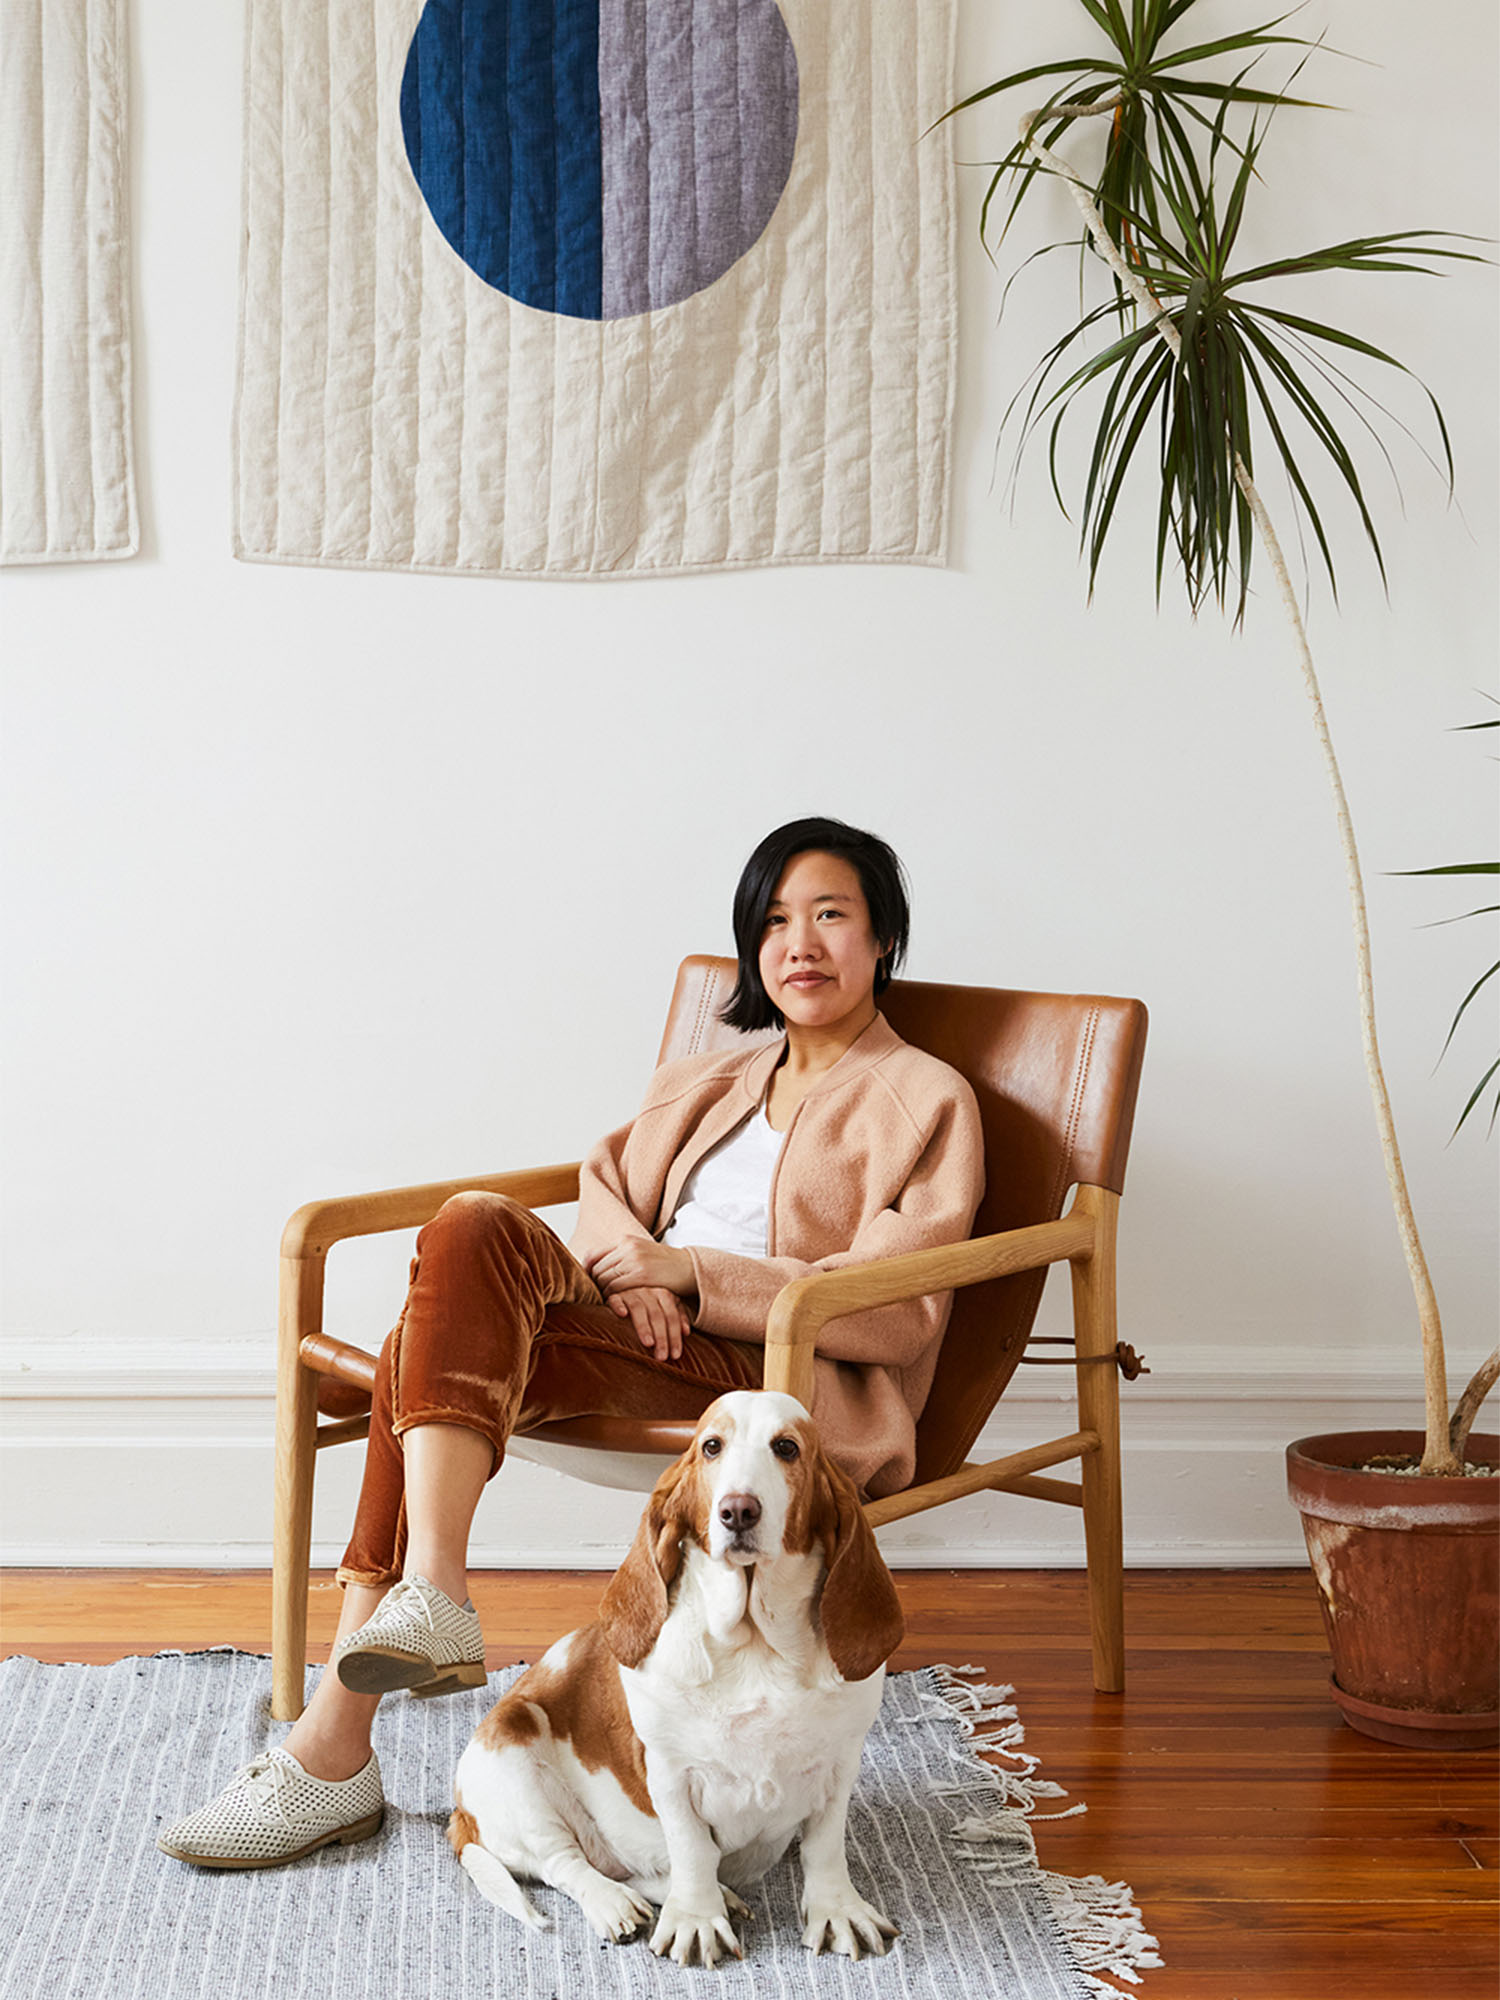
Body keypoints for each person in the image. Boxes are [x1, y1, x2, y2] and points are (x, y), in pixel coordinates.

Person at [158, 817, 985, 1870]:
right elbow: (605, 1193)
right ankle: (433, 1600)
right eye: (775, 920)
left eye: (832, 914)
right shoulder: (706, 1080)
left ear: (883, 939)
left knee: (421, 1330)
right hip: (643, 1332)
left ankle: (334, 1749)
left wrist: (695, 1277)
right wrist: (635, 1267)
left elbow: (895, 1304)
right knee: (467, 1233)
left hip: (767, 1385)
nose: (801, 943)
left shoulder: (926, 1099)